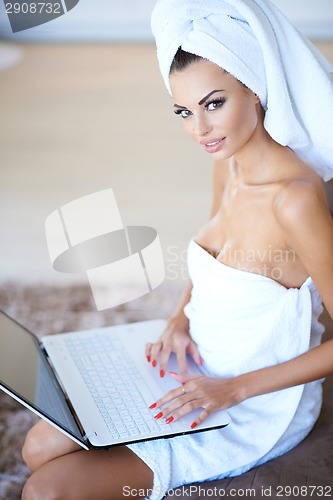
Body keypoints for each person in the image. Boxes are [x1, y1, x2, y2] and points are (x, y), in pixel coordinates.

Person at [21, 0, 333, 498]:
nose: (199, 129)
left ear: (254, 87)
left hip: (251, 403)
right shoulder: (226, 167)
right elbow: (213, 264)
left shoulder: (294, 201)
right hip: (195, 365)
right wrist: (179, 317)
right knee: (37, 447)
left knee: (47, 489)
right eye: (184, 111)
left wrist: (232, 390)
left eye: (214, 103)